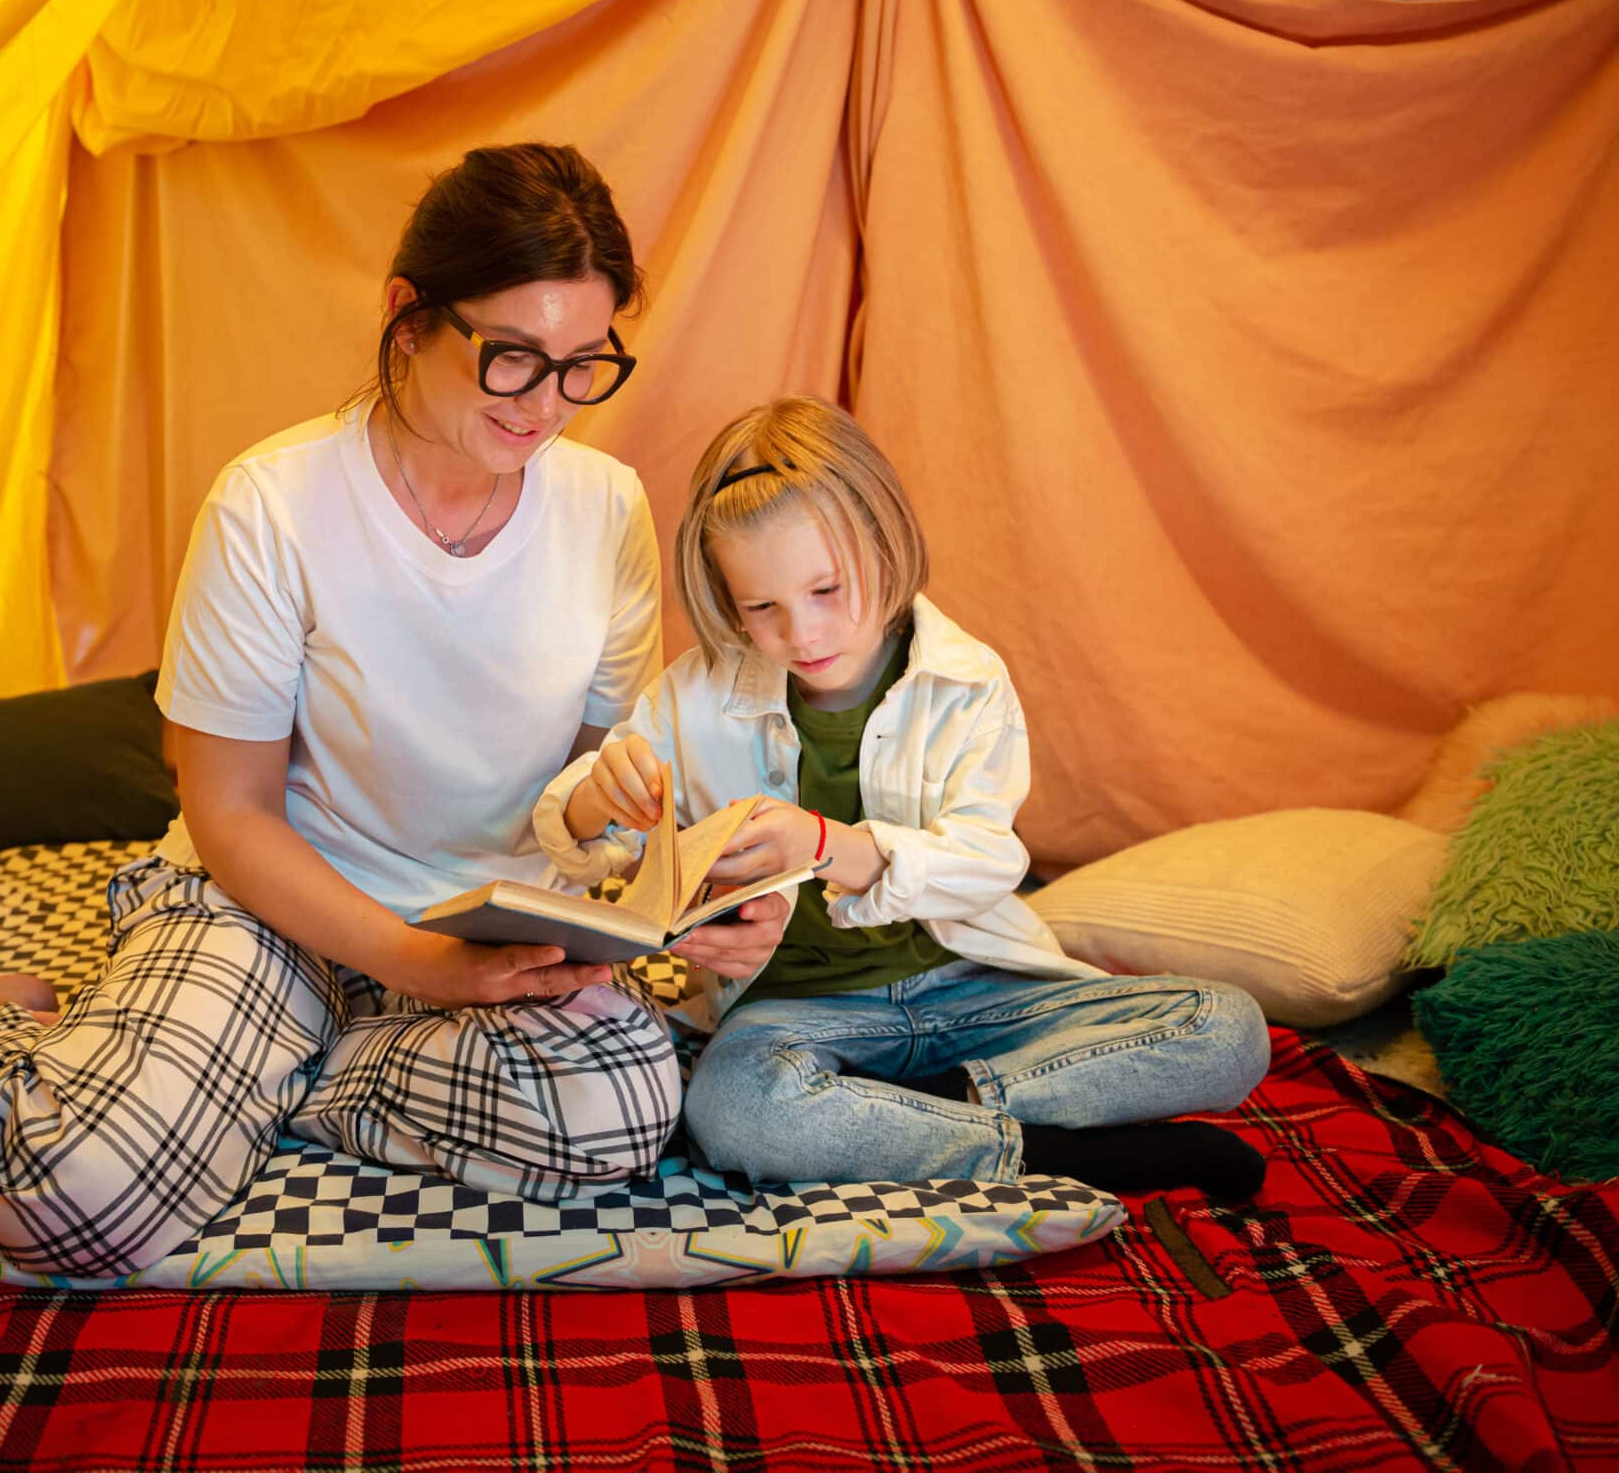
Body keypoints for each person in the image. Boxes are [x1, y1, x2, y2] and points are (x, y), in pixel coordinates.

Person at [0, 144, 788, 1276]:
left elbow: (591, 799)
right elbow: (230, 812)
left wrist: (681, 883)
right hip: (271, 907)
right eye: (513, 358)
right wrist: (415, 965)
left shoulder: (606, 506)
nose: (547, 406)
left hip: (492, 932)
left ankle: (256, 1079)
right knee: (66, 1197)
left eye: (583, 366)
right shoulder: (271, 504)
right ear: (407, 317)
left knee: (622, 1109)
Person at [533, 397, 1272, 1196]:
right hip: (801, 1015)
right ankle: (1064, 1152)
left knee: (1227, 1028)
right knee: (733, 1107)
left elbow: (986, 863)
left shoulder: (968, 680)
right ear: (724, 595)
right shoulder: (694, 695)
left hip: (974, 992)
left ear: (884, 544)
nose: (803, 633)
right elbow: (588, 836)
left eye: (827, 589)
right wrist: (596, 796)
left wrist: (825, 844)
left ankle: (905, 1116)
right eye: (761, 607)